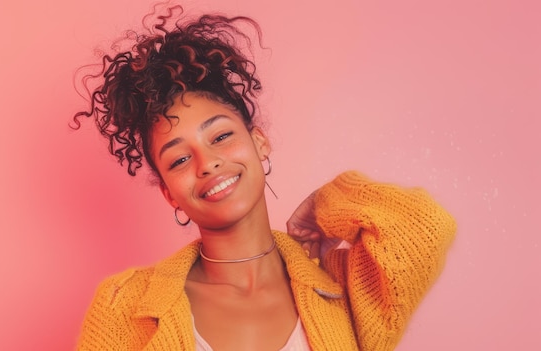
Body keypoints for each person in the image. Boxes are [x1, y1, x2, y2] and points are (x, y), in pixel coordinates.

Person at [73, 6, 457, 351]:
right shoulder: (125, 307)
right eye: (179, 159)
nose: (207, 164)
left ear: (259, 143)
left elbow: (424, 228)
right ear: (169, 195)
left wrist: (324, 204)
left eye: (221, 136)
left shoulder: (340, 286)